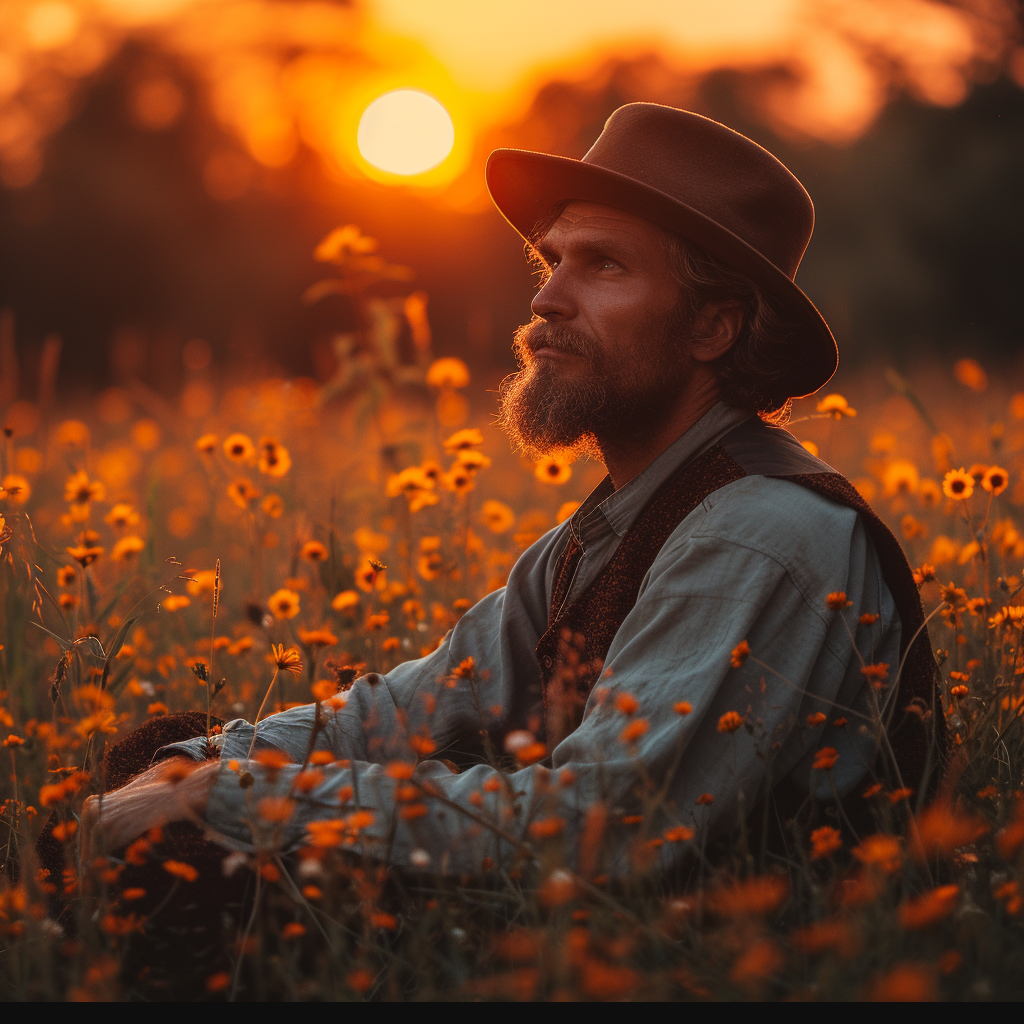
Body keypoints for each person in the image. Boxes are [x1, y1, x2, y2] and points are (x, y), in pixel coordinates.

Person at [83, 103, 940, 878]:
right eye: (552, 259)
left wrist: (221, 798)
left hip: (740, 963)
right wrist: (191, 765)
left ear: (713, 326)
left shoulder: (757, 532)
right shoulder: (604, 534)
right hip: (602, 927)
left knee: (209, 872)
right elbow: (407, 709)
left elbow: (595, 830)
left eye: (603, 265)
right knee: (153, 759)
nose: (547, 297)